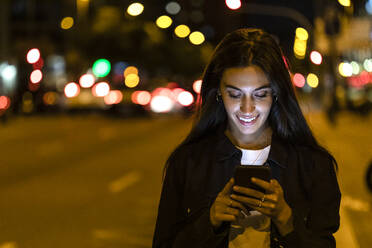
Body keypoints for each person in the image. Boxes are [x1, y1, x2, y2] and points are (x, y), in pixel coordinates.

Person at [152, 28, 341, 248]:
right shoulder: (188, 161)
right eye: (235, 94)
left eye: (260, 94)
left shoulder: (313, 164)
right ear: (218, 92)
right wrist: (210, 221)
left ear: (276, 93)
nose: (247, 108)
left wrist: (285, 219)